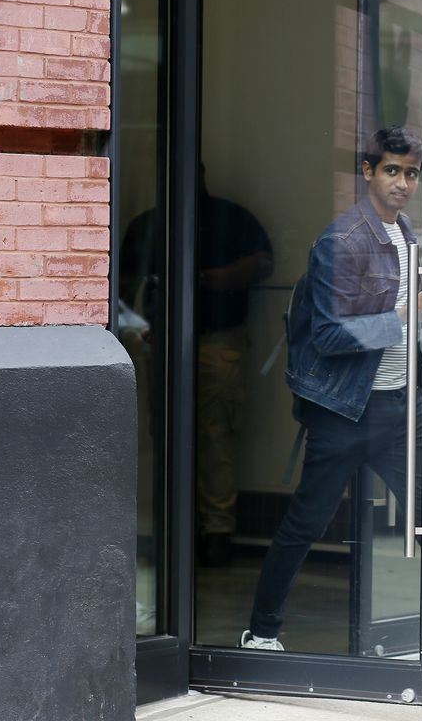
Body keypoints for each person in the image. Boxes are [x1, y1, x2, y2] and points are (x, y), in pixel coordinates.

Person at [239, 127, 422, 696]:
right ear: (367, 171)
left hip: (400, 409)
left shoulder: (403, 233)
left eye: (410, 173)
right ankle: (260, 633)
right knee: (305, 524)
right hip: (346, 412)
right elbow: (329, 334)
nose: (403, 183)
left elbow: (399, 314)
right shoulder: (342, 241)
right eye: (391, 171)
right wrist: (411, 310)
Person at [121, 166, 274, 566]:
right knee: (163, 432)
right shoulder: (149, 223)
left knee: (215, 434)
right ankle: (175, 527)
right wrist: (140, 326)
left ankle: (217, 531)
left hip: (217, 339)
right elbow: (121, 285)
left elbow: (261, 265)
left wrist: (202, 279)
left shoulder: (229, 217)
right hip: (162, 341)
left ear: (203, 176)